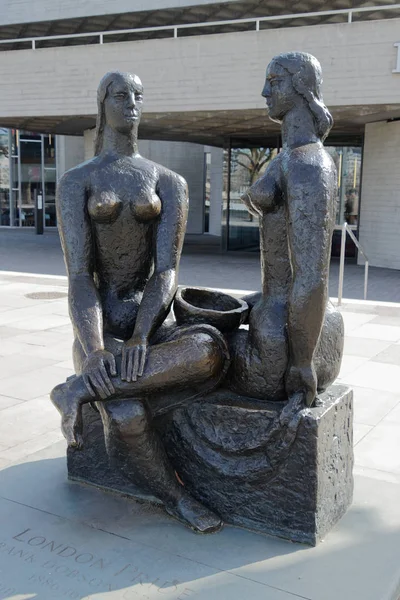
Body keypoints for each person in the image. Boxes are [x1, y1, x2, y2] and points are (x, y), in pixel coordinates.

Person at [50, 71, 228, 533]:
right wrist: (94, 352)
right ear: (102, 103)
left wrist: (143, 336)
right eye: (120, 95)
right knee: (127, 414)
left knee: (208, 350)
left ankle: (75, 392)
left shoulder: (168, 181)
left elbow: (167, 271)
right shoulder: (78, 181)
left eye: (137, 96)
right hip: (100, 329)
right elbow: (79, 277)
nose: (131, 103)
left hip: (149, 326)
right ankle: (176, 497)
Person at [227, 52, 344, 412]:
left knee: (195, 347)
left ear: (301, 86)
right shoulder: (287, 158)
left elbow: (311, 275)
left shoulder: (309, 164)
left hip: (285, 346)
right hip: (277, 320)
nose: (264, 91)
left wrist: (302, 363)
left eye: (274, 81)